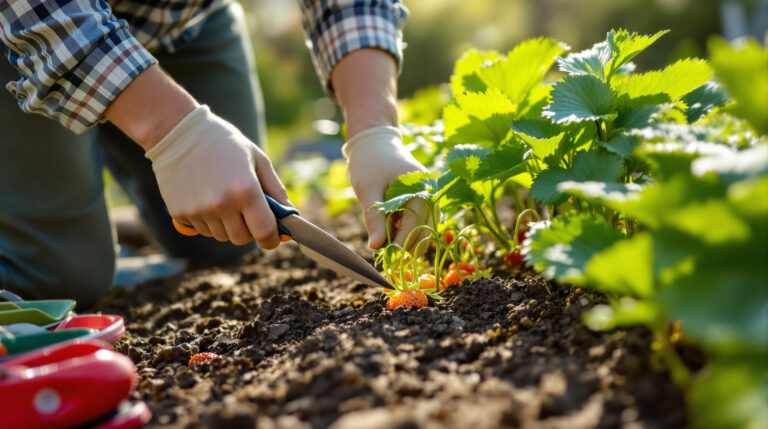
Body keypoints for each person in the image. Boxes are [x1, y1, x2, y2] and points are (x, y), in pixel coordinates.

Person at [0, 0, 427, 308]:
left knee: (234, 228)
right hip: (30, 31)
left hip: (179, 16)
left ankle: (104, 220)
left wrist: (375, 130)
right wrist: (176, 136)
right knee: (58, 279)